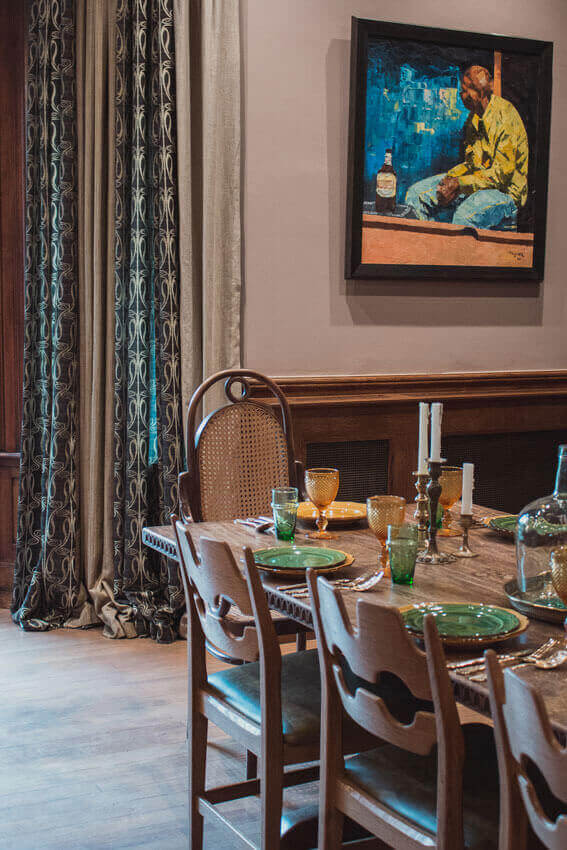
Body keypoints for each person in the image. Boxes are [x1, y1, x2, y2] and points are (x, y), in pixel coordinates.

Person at [405, 65, 528, 231]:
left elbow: (500, 177)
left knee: (465, 216)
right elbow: (472, 165)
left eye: (464, 91)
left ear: (478, 93)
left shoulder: (505, 117)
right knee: (416, 195)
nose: (460, 95)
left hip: (506, 195)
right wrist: (450, 179)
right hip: (478, 186)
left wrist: (459, 183)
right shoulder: (473, 119)